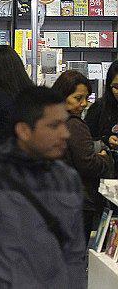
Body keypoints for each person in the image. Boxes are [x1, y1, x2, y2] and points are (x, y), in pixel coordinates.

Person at [0, 86, 87, 289]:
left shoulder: (68, 178)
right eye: (54, 126)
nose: (65, 133)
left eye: (64, 124)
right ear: (24, 131)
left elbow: (75, 256)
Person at [51, 70, 115, 238]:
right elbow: (87, 164)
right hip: (77, 201)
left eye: (86, 98)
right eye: (78, 98)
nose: (84, 104)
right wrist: (104, 158)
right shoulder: (74, 125)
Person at [86, 60, 118, 150]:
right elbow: (86, 140)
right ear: (109, 86)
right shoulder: (99, 107)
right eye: (116, 87)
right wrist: (106, 140)